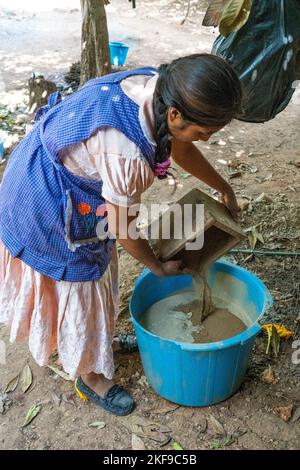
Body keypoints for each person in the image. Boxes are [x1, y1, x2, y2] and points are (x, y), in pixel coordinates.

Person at [0, 53, 242, 416]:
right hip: (45, 201)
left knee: (99, 274)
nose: (205, 139)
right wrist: (158, 268)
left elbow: (181, 144)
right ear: (175, 115)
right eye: (203, 132)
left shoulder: (158, 89)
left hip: (57, 174)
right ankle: (90, 376)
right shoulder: (127, 153)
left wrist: (224, 187)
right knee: (84, 283)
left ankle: (101, 343)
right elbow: (123, 227)